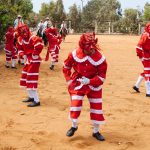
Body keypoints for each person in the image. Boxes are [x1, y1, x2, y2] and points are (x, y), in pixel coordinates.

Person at [62, 33, 107, 141]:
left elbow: (102, 77)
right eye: (88, 49)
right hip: (78, 83)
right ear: (82, 47)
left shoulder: (100, 58)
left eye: (92, 49)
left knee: (97, 108)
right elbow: (66, 67)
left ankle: (96, 131)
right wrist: (68, 80)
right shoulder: (74, 54)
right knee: (75, 104)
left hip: (94, 85)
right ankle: (74, 126)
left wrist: (90, 81)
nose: (90, 51)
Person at [16, 24, 44, 107]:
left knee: (31, 79)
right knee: (25, 78)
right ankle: (31, 97)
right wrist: (22, 55)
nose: (24, 33)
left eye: (25, 31)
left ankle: (37, 100)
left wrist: (35, 54)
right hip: (28, 60)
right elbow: (20, 48)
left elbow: (39, 45)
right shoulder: (20, 39)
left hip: (34, 61)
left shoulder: (33, 37)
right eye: (22, 32)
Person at [135, 22, 150, 96]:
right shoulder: (145, 36)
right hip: (145, 56)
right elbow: (138, 47)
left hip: (147, 56)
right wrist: (141, 56)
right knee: (148, 72)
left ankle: (136, 86)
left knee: (147, 71)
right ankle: (148, 92)